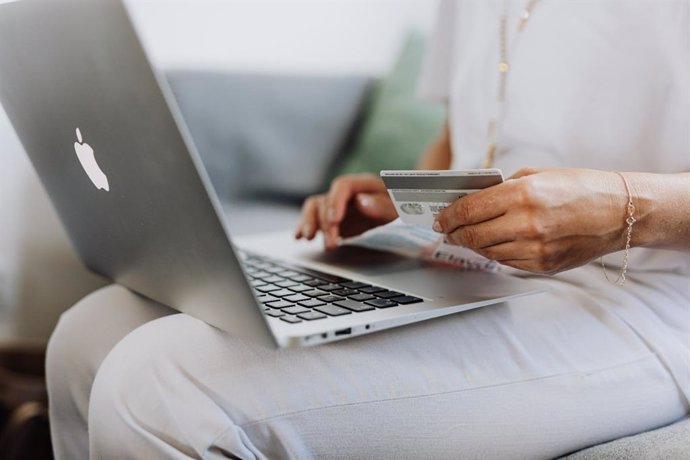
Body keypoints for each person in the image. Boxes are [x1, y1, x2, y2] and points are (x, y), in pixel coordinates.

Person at [46, 1, 690, 458]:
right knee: (88, 334)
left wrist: (622, 205)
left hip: (637, 296)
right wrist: (411, 200)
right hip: (473, 266)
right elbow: (456, 136)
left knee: (158, 389)